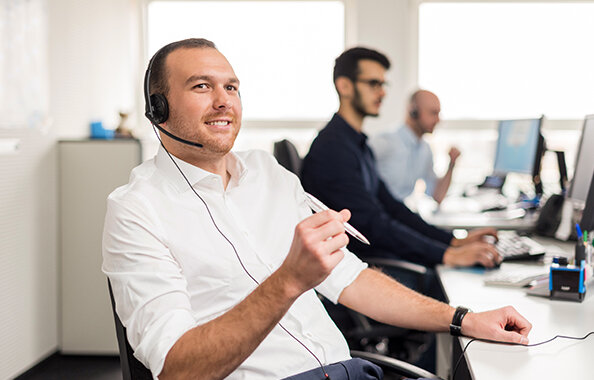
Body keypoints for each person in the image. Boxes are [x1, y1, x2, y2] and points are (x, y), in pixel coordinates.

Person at [103, 38, 531, 380]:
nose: (223, 101)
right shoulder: (137, 210)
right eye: (202, 86)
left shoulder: (267, 174)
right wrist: (289, 279)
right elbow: (178, 370)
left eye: (231, 87)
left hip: (352, 369)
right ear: (157, 108)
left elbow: (350, 278)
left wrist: (464, 319)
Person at [301, 47, 500, 270]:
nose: (383, 92)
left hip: (375, 256)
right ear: (345, 86)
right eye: (373, 84)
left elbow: (393, 208)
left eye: (383, 85)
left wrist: (452, 242)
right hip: (360, 268)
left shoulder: (358, 144)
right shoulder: (333, 149)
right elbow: (373, 225)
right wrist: (448, 255)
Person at [369, 90, 459, 203]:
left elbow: (437, 195)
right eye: (433, 113)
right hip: (378, 213)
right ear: (413, 111)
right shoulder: (385, 142)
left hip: (400, 213)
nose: (438, 120)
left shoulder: (425, 149)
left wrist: (452, 164)